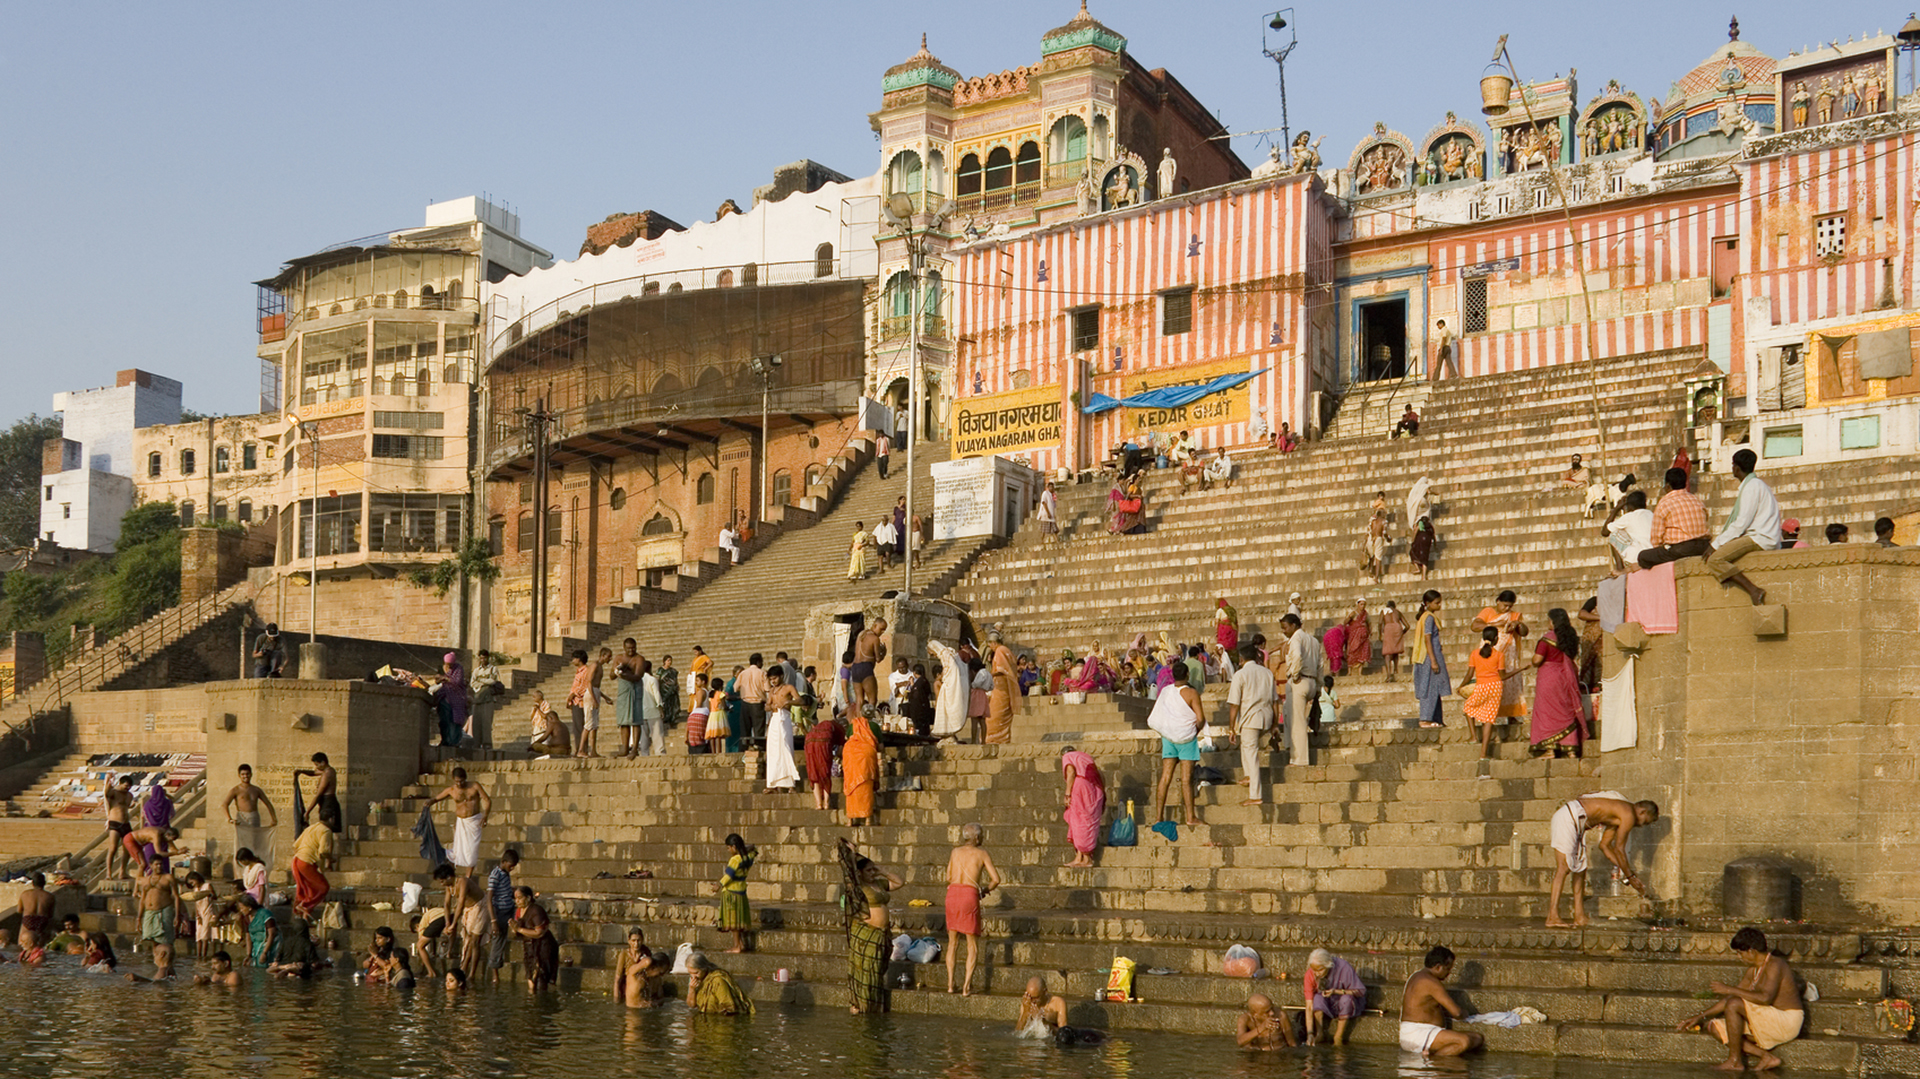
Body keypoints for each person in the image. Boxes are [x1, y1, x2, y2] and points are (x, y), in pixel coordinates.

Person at [1677, 927, 1805, 1072]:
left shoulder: (1775, 965)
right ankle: (1766, 1057)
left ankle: (1735, 1062)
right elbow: (1731, 998)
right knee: (1715, 1027)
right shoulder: (1753, 970)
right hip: (1768, 1020)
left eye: (1740, 953)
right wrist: (1700, 1016)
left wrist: (1729, 989)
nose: (1739, 957)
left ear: (1751, 951)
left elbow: (1764, 998)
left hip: (1787, 1021)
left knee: (1734, 1004)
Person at [1547, 793, 1658, 927]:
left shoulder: (1618, 815)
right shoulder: (1628, 814)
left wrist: (1628, 874)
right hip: (1568, 817)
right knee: (1563, 867)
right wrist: (1631, 876)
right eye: (1644, 821)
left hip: (1577, 822)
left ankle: (1579, 916)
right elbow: (1619, 849)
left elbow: (1605, 846)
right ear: (1642, 811)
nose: (1641, 826)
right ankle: (1552, 916)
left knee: (1581, 870)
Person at [1704, 448, 1780, 605]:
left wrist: (1715, 545)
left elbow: (1741, 523)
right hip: (1760, 535)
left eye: (1733, 465)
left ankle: (1753, 590)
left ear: (1736, 468)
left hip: (1760, 537)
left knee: (1715, 560)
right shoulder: (1756, 485)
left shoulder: (1752, 486)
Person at [840, 841, 902, 1014]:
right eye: (869, 870)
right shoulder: (858, 887)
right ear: (859, 873)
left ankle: (873, 1007)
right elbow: (849, 872)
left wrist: (880, 870)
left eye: (873, 870)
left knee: (875, 972)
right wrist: (853, 854)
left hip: (880, 935)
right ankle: (859, 1006)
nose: (872, 873)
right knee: (864, 971)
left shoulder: (879, 884)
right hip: (865, 935)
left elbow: (899, 882)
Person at [944, 822, 1002, 995]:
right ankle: (966, 987)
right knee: (972, 945)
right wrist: (984, 890)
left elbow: (948, 876)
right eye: (982, 835)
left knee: (952, 943)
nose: (983, 838)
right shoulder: (982, 853)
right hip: (969, 896)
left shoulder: (955, 852)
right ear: (976, 837)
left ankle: (950, 984)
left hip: (952, 894)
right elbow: (996, 879)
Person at [1526, 609, 1591, 758]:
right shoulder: (1571, 637)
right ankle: (1571, 749)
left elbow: (1537, 660)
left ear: (1553, 621)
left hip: (1549, 678)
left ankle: (1549, 749)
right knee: (1566, 710)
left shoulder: (1547, 638)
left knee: (1547, 712)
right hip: (1566, 678)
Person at [1149, 661, 1203, 827]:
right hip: (1186, 738)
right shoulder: (1192, 693)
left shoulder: (1165, 691)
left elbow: (1160, 715)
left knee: (1165, 778)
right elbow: (1200, 719)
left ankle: (1158, 817)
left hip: (1169, 739)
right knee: (1186, 780)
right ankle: (1190, 817)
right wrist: (1194, 731)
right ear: (1187, 675)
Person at [1401, 946, 1482, 1057]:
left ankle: (1432, 1054)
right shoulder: (1430, 982)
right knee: (1463, 1041)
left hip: (1424, 1032)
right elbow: (1457, 1013)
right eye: (1447, 968)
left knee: (1477, 1038)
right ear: (1438, 967)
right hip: (1418, 1034)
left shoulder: (1416, 976)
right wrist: (1465, 1013)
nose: (1449, 973)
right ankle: (1432, 1063)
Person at [1226, 643, 1276, 806]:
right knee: (1247, 747)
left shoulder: (1240, 675)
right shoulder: (1267, 673)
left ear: (1241, 659)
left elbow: (1234, 704)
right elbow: (1276, 701)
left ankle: (1255, 795)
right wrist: (1275, 724)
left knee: (1251, 752)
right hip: (1266, 717)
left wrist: (1231, 727)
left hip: (1250, 718)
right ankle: (1248, 775)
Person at [1637, 467, 1710, 568]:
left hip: (1681, 549)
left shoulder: (1664, 502)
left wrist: (1661, 548)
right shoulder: (1696, 500)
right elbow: (1706, 520)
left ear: (1667, 485)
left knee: (1643, 556)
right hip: (1704, 546)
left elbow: (1656, 538)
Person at [1461, 627, 1516, 759]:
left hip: (1481, 686)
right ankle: (1483, 754)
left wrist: (1461, 686)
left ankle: (1473, 736)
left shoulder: (1474, 653)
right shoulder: (1499, 655)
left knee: (1468, 709)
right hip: (1495, 688)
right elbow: (1503, 676)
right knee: (1488, 720)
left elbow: (1469, 674)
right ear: (1496, 639)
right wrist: (1519, 670)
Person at [428, 767, 492, 878]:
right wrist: (429, 802)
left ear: (465, 778)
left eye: (461, 781)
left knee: (472, 851)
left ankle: (468, 877)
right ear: (453, 779)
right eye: (457, 781)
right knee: (457, 851)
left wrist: (485, 816)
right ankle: (451, 875)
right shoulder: (451, 790)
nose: (459, 783)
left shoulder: (474, 786)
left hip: (474, 821)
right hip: (461, 822)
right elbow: (437, 798)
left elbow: (487, 800)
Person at [1279, 613, 1324, 765]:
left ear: (1293, 625)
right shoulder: (1314, 641)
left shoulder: (1296, 638)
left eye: (1285, 628)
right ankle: (1291, 749)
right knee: (1290, 714)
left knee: (1297, 722)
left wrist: (1295, 673)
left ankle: (1299, 759)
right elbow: (1320, 665)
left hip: (1300, 680)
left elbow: (1297, 656)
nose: (1283, 631)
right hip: (1311, 682)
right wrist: (1318, 686)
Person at [223, 763, 279, 873]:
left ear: (251, 774)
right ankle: (241, 872)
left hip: (254, 817)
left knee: (255, 843)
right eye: (243, 774)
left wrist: (273, 818)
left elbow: (268, 803)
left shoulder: (256, 789)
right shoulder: (236, 790)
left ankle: (255, 869)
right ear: (239, 775)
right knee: (242, 844)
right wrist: (229, 818)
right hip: (242, 818)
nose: (245, 776)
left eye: (247, 774)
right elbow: (224, 804)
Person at [1304, 948, 1366, 1045]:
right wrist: (1310, 1033)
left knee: (1346, 999)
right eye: (1314, 970)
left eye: (1320, 970)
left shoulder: (1343, 967)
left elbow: (1360, 991)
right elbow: (1309, 1005)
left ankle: (1338, 1036)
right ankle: (1319, 1033)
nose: (1316, 973)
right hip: (1328, 1003)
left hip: (1347, 1002)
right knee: (1317, 998)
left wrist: (1336, 991)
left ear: (1328, 965)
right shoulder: (1310, 975)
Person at [1057, 745, 1105, 868]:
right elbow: (1101, 777)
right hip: (1094, 790)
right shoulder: (1085, 757)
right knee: (1082, 822)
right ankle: (1079, 857)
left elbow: (1071, 773)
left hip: (1080, 789)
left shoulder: (1068, 757)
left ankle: (1087, 858)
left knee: (1080, 822)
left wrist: (1067, 794)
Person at [1411, 591, 1451, 728]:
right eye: (1436, 603)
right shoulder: (1428, 618)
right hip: (1429, 658)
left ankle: (1437, 718)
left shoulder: (1427, 617)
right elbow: (1427, 639)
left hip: (1431, 656)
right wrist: (1433, 660)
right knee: (1429, 688)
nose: (1439, 605)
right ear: (1428, 604)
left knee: (1436, 688)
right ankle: (1425, 719)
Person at [290, 807, 336, 916]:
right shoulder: (326, 830)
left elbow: (295, 845)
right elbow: (323, 851)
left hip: (296, 860)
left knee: (305, 888)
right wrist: (331, 859)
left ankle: (301, 915)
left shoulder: (311, 828)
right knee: (323, 887)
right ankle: (304, 906)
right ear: (331, 819)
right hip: (306, 862)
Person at [716, 833, 758, 953]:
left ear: (734, 847)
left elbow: (729, 875)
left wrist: (719, 885)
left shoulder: (735, 859)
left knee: (733, 922)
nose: (728, 850)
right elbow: (754, 849)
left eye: (729, 847)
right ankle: (740, 944)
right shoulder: (748, 857)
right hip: (741, 891)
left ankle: (737, 946)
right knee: (738, 920)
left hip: (731, 892)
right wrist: (744, 848)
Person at [512, 885, 558, 991]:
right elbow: (518, 929)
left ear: (528, 898)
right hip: (529, 946)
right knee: (530, 975)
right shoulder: (519, 911)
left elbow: (539, 932)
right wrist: (515, 929)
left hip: (543, 945)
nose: (516, 901)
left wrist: (519, 930)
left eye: (519, 898)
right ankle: (532, 1001)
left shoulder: (536, 910)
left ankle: (541, 1003)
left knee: (541, 976)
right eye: (515, 898)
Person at [843, 702, 880, 827]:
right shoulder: (875, 726)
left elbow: (848, 739)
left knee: (851, 786)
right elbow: (880, 746)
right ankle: (867, 819)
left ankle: (850, 820)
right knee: (865, 786)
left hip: (850, 754)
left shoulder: (853, 725)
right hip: (866, 754)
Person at [486, 849, 519, 983]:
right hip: (499, 912)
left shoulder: (505, 874)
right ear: (503, 862)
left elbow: (505, 890)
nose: (512, 868)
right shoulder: (495, 875)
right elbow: (489, 898)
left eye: (513, 866)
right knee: (497, 942)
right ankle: (495, 974)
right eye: (510, 865)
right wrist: (493, 920)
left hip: (509, 909)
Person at [687, 952, 756, 1015]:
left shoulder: (718, 981)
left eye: (696, 973)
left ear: (704, 969)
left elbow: (729, 1008)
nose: (693, 977)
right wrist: (691, 990)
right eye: (690, 973)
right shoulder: (694, 980)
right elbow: (692, 1005)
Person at [294, 752, 340, 843]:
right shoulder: (327, 770)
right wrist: (301, 771)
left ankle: (325, 852)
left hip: (328, 803)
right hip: (326, 803)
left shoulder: (328, 773)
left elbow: (319, 795)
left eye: (317, 764)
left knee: (325, 829)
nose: (316, 767)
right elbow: (314, 773)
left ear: (323, 762)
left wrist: (308, 812)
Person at [614, 928, 665, 1008]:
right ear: (629, 941)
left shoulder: (646, 952)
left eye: (639, 940)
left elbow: (653, 973)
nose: (636, 944)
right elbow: (618, 978)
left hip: (641, 987)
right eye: (633, 940)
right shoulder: (624, 954)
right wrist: (616, 998)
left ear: (642, 940)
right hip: (628, 988)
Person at [805, 709, 846, 810]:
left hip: (809, 741)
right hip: (823, 740)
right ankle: (826, 804)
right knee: (824, 772)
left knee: (814, 772)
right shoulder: (841, 729)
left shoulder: (826, 724)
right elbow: (840, 752)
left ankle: (818, 804)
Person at [1603, 490, 1654, 571]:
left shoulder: (1629, 517)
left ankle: (1620, 569)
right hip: (1654, 554)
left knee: (1614, 534)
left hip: (1638, 557)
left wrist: (1616, 509)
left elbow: (1605, 532)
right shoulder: (1651, 514)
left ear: (1629, 506)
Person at [135, 861, 178, 955]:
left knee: (166, 940)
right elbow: (142, 900)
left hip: (164, 910)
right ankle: (157, 959)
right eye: (156, 864)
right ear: (151, 865)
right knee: (152, 939)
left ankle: (168, 962)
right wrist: (139, 918)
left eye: (160, 864)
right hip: (149, 912)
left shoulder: (168, 877)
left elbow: (176, 896)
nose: (159, 866)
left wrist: (177, 916)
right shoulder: (146, 880)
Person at [985, 629, 1020, 744]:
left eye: (990, 644)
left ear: (994, 643)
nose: (990, 647)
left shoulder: (1000, 650)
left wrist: (989, 674)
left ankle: (994, 740)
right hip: (1005, 687)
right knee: (1002, 715)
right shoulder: (1007, 650)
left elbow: (1002, 670)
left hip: (1001, 688)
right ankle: (1003, 739)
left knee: (993, 717)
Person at [430, 652, 470, 749]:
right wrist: (439, 678)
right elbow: (438, 680)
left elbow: (457, 681)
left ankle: (454, 742)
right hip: (444, 698)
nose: (448, 666)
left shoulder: (458, 668)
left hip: (456, 700)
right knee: (444, 721)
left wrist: (445, 678)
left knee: (455, 722)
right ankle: (445, 741)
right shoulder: (442, 668)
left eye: (449, 664)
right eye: (447, 664)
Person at [850, 619, 887, 720]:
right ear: (875, 626)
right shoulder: (875, 639)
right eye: (881, 629)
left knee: (859, 700)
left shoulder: (861, 634)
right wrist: (883, 652)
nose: (882, 632)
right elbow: (878, 659)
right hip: (866, 667)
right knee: (872, 700)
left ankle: (859, 724)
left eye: (884, 630)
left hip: (855, 667)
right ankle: (868, 723)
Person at [564, 649, 595, 757]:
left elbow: (584, 686)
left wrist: (572, 695)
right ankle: (579, 749)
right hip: (576, 702)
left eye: (574, 658)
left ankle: (582, 749)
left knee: (580, 727)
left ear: (579, 659)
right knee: (577, 727)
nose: (572, 661)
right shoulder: (579, 672)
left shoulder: (585, 670)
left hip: (581, 702)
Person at [735, 651, 769, 749]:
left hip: (745, 703)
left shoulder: (743, 673)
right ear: (758, 662)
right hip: (757, 703)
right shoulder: (762, 673)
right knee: (758, 730)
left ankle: (744, 751)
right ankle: (759, 750)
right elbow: (767, 688)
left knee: (745, 730)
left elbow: (735, 688)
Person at [469, 648, 502, 745]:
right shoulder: (476, 670)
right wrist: (484, 682)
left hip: (488, 699)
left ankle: (487, 744)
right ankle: (476, 743)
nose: (483, 660)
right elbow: (472, 683)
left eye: (484, 658)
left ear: (488, 658)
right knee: (476, 723)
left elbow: (492, 681)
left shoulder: (493, 669)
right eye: (481, 658)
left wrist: (480, 681)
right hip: (478, 698)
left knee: (486, 723)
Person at [104, 774, 134, 878]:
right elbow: (105, 794)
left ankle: (123, 872)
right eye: (125, 785)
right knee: (113, 849)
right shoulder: (114, 793)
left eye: (129, 786)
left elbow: (127, 806)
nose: (127, 788)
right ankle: (109, 872)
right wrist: (107, 780)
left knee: (128, 849)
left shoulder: (130, 795)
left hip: (126, 823)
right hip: (115, 823)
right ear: (120, 783)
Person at [527, 691, 571, 757]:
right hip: (566, 750)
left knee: (539, 747)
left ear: (550, 718)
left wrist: (534, 744)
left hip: (558, 749)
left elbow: (544, 737)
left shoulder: (553, 723)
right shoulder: (563, 724)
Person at [238, 894, 277, 967]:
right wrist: (249, 955)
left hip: (269, 947)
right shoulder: (246, 918)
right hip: (256, 948)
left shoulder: (265, 914)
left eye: (242, 908)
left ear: (249, 908)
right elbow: (248, 936)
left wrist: (265, 952)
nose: (241, 910)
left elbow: (272, 934)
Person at [16, 872, 53, 944]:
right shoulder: (50, 896)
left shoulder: (25, 894)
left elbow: (19, 910)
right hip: (42, 920)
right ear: (44, 883)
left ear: (32, 883)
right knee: (40, 943)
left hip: (28, 919)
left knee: (22, 942)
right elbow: (51, 914)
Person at [1380, 601, 1409, 680]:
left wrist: (1380, 634)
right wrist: (1402, 633)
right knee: (1395, 650)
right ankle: (1396, 670)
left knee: (1387, 652)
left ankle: (1389, 674)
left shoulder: (1384, 611)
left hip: (1388, 629)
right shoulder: (1398, 612)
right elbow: (1407, 626)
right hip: (1397, 628)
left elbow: (1380, 623)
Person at [1343, 601, 1371, 672]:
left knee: (1362, 653)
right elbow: (1345, 622)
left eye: (1364, 604)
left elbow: (1369, 623)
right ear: (1357, 605)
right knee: (1352, 651)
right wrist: (1350, 617)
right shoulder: (1353, 613)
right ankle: (1350, 671)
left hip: (1363, 637)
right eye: (1361, 604)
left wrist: (1369, 632)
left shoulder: (1366, 614)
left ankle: (1360, 671)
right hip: (1354, 636)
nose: (1363, 606)